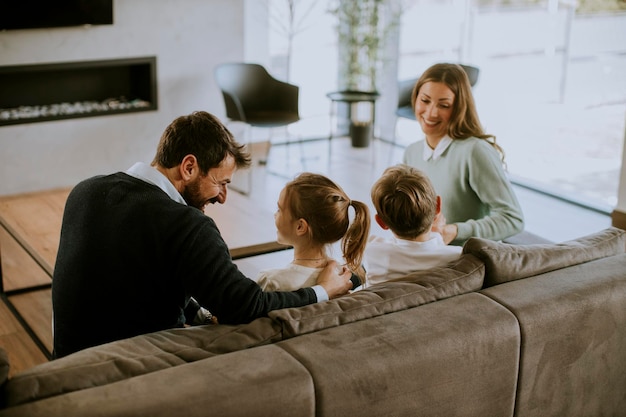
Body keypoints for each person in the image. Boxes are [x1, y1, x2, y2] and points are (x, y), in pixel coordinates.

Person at [51, 111, 353, 358]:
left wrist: (201, 315)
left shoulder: (85, 190)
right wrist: (323, 291)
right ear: (189, 167)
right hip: (131, 373)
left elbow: (135, 280)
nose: (223, 197)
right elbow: (245, 305)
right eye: (220, 183)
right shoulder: (186, 224)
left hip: (68, 364)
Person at [403, 62, 524, 245]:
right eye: (425, 100)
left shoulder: (474, 151)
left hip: (465, 264)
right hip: (426, 258)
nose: (431, 112)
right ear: (415, 98)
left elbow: (512, 218)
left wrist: (456, 230)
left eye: (444, 105)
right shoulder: (412, 153)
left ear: (459, 108)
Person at [256, 172, 370, 291]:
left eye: (279, 209)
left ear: (300, 227)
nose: (275, 214)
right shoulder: (346, 277)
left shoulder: (271, 282)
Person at [364, 164, 462, 287]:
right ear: (438, 206)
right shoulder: (458, 257)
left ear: (381, 222)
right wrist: (436, 237)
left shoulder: (372, 251)